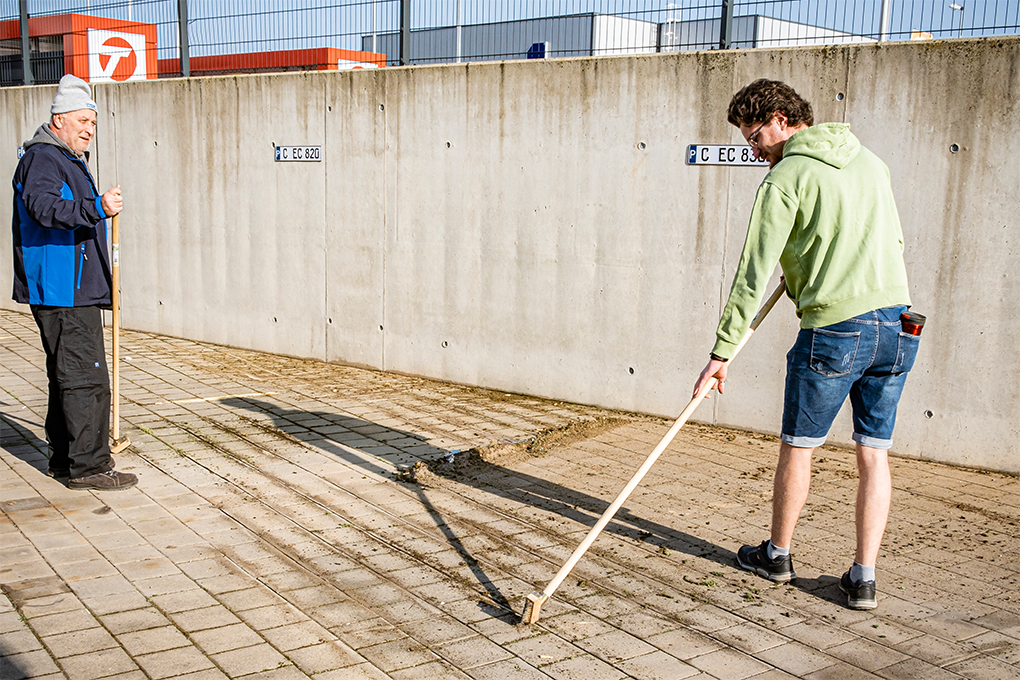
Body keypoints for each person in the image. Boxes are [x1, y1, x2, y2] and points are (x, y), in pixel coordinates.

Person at [692, 79, 919, 610]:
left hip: (837, 330)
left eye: (755, 138)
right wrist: (804, 271)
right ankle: (863, 579)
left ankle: (778, 554)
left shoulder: (785, 178)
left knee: (799, 448)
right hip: (899, 325)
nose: (755, 151)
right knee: (874, 455)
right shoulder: (870, 162)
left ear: (780, 119)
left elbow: (752, 272)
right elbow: (889, 241)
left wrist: (721, 353)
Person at [11, 74, 138, 491]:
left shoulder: (65, 158)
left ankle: (66, 460)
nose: (89, 129)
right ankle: (90, 467)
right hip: (64, 288)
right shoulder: (45, 158)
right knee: (86, 376)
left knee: (67, 375)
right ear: (59, 118)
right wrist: (96, 206)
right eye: (83, 120)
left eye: (94, 123)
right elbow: (43, 207)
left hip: (70, 286)